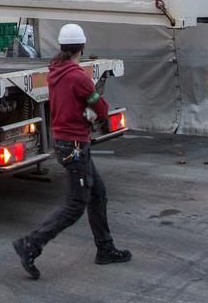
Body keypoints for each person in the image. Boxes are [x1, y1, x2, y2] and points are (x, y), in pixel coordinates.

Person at [13, 24, 131, 279]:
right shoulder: (78, 77)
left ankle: (105, 248)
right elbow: (100, 107)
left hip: (67, 143)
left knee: (98, 194)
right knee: (76, 203)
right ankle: (31, 244)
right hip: (75, 145)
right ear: (82, 47)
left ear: (62, 47)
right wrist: (92, 108)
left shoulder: (55, 72)